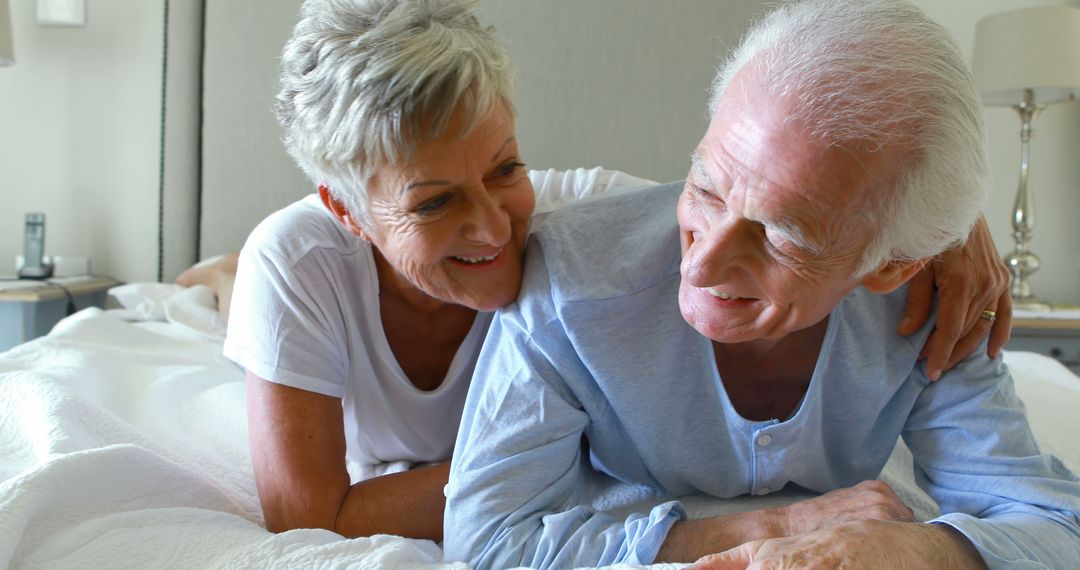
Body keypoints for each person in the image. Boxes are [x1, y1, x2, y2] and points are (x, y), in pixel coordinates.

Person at [204, 0, 1010, 543]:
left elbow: (754, 195)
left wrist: (945, 228)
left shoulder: (574, 220)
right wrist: (556, 458)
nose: (491, 226)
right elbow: (313, 517)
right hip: (293, 281)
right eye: (433, 202)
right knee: (226, 294)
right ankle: (212, 283)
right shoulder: (301, 262)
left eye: (505, 168)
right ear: (348, 210)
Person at [442, 1, 1080, 568]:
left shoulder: (934, 299)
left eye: (782, 235)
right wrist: (776, 527)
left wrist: (924, 548)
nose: (702, 267)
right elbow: (490, 541)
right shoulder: (567, 288)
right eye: (705, 189)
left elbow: (1052, 526)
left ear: (892, 265)